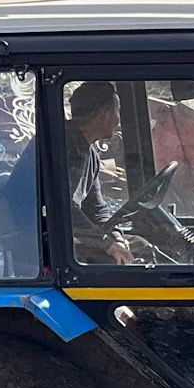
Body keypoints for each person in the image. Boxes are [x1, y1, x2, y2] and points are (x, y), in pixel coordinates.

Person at [63, 81, 136, 264]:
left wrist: (116, 236)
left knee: (138, 245)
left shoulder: (89, 154)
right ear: (105, 116)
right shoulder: (66, 147)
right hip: (44, 238)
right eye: (117, 112)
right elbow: (64, 208)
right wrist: (107, 245)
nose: (119, 119)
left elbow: (95, 209)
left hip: (69, 233)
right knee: (114, 262)